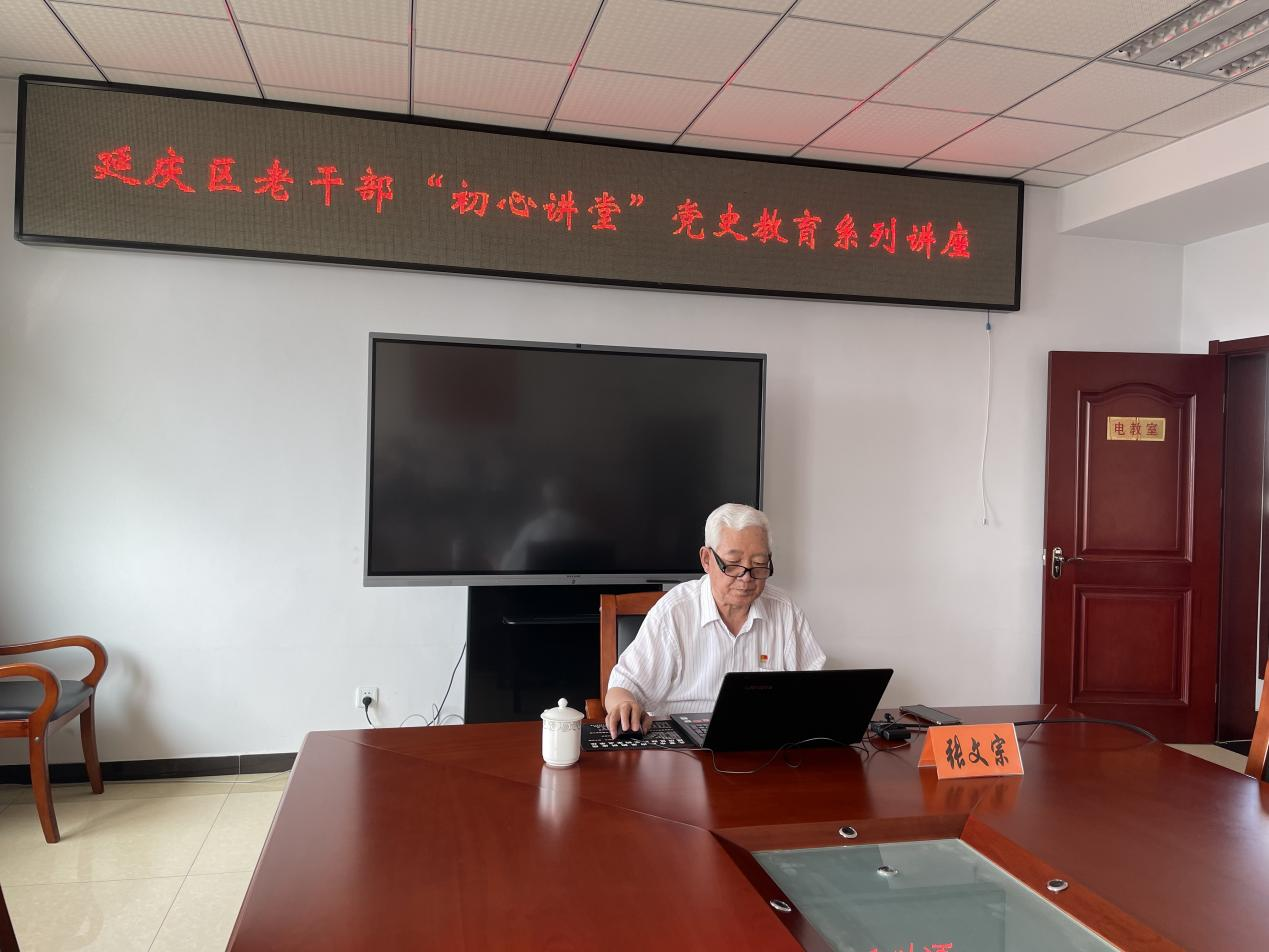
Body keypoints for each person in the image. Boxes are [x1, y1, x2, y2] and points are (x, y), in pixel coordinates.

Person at [604, 502, 826, 738]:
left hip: (763, 743)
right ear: (707, 559)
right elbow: (623, 687)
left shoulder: (785, 611)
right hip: (683, 745)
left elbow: (817, 692)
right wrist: (624, 705)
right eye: (733, 564)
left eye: (759, 564)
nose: (746, 578)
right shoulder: (674, 612)